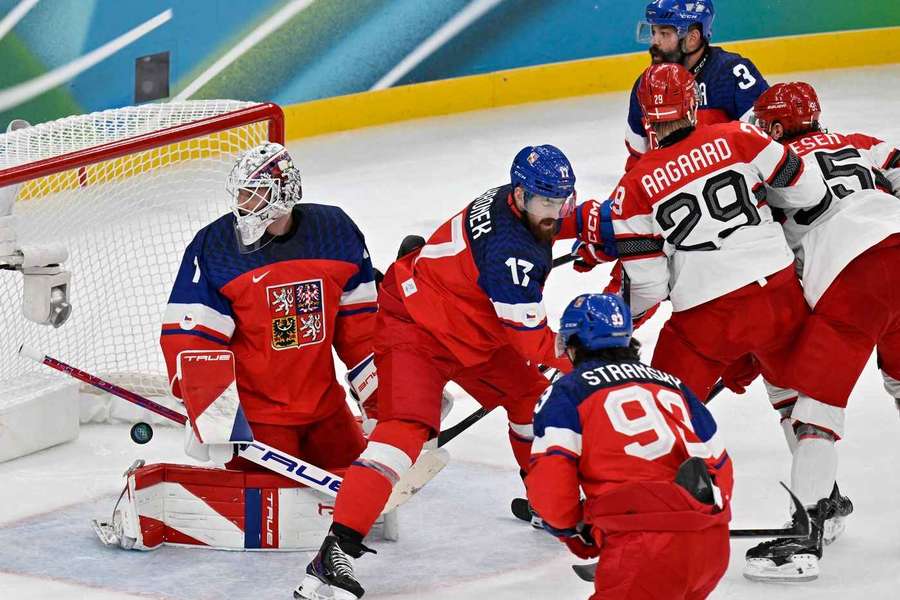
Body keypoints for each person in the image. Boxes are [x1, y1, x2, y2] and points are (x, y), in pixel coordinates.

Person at [294, 145, 577, 600]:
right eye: (548, 201)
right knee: (403, 433)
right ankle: (333, 553)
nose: (557, 210)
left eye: (562, 199)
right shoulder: (510, 253)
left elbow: (578, 218)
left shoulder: (520, 200)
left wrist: (617, 230)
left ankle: (544, 503)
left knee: (532, 401)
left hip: (467, 328)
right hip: (415, 328)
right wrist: (590, 355)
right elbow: (533, 343)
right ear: (521, 196)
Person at [574, 63, 826, 404]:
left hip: (707, 318)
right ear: (693, 104)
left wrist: (618, 319)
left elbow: (649, 287)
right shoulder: (741, 135)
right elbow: (810, 194)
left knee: (667, 413)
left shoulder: (631, 188)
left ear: (645, 116)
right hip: (779, 298)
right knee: (799, 407)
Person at [738, 82, 900, 581]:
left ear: (778, 126)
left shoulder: (771, 163)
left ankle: (806, 532)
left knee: (815, 409)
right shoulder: (856, 140)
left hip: (851, 278)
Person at [160, 142, 378, 475]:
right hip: (258, 418)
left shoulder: (335, 233)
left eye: (254, 193)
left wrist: (383, 399)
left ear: (285, 192)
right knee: (274, 514)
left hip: (327, 410)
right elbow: (192, 339)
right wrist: (213, 414)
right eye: (240, 193)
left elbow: (362, 330)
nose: (242, 203)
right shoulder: (217, 247)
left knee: (365, 484)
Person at [527, 293, 733, 600]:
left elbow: (552, 482)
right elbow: (720, 466)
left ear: (573, 345)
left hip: (644, 546)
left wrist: (572, 528)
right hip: (712, 546)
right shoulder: (672, 384)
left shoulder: (568, 392)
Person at [625, 0, 768, 171]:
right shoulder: (646, 84)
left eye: (664, 34)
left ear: (692, 38)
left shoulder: (731, 73)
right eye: (653, 32)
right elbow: (638, 159)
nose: (654, 42)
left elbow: (765, 141)